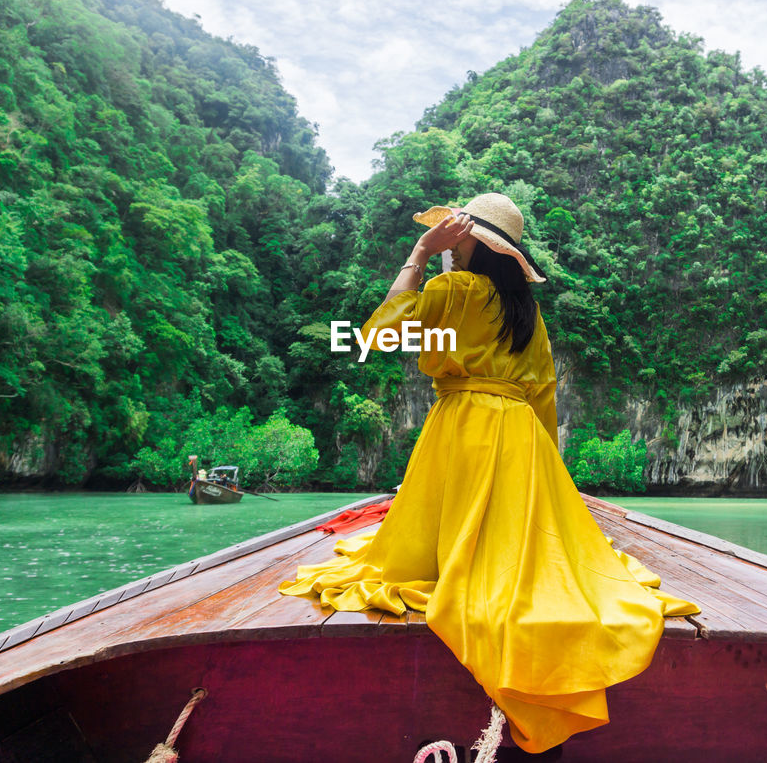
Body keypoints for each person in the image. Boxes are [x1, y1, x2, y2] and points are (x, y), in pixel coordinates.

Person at [280, 192, 698, 753]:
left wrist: (420, 254)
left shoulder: (453, 290)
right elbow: (544, 390)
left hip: (465, 425)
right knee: (514, 546)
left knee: (446, 553)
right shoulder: (524, 308)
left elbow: (379, 336)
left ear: (475, 241)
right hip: (521, 433)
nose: (453, 240)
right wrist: (545, 467)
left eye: (459, 234)